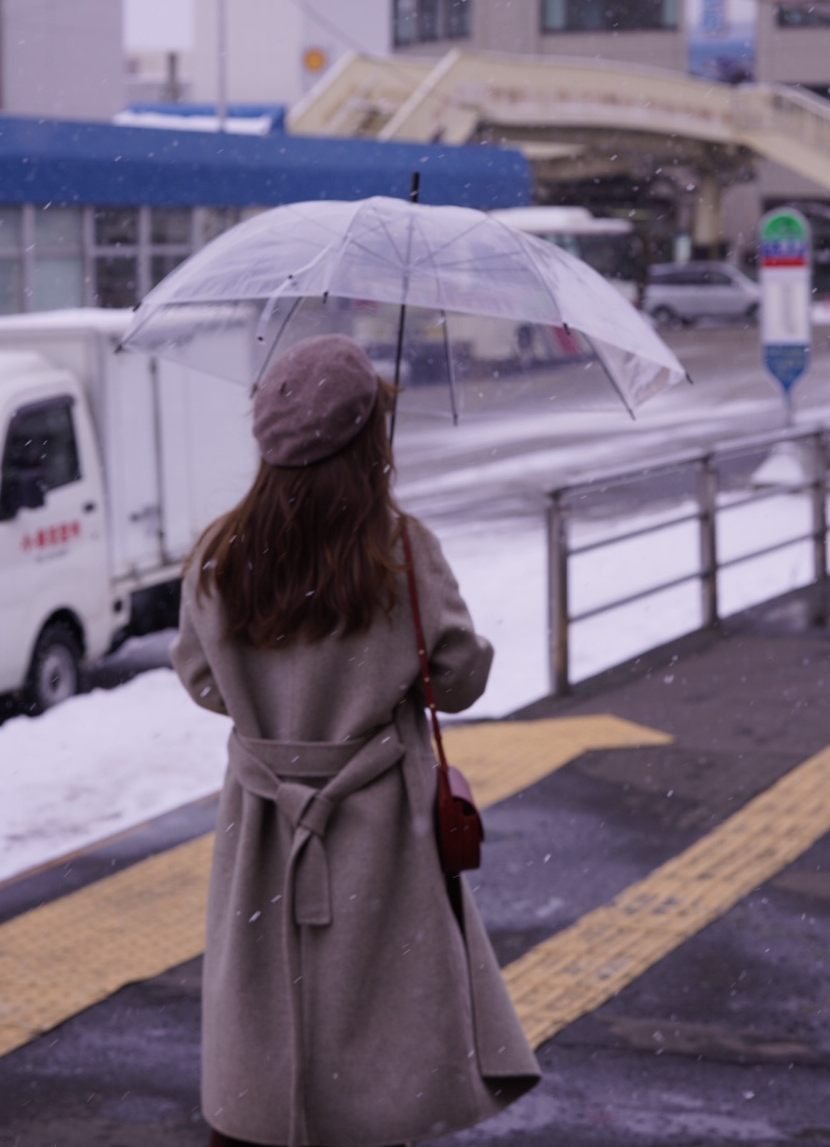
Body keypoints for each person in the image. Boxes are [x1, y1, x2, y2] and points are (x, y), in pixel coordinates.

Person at [172, 333, 541, 1147]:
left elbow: (202, 681)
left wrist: (276, 715)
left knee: (267, 994)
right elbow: (457, 680)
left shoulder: (216, 554)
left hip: (264, 823)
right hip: (378, 823)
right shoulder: (400, 552)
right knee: (378, 1015)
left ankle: (259, 1119)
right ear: (368, 440)